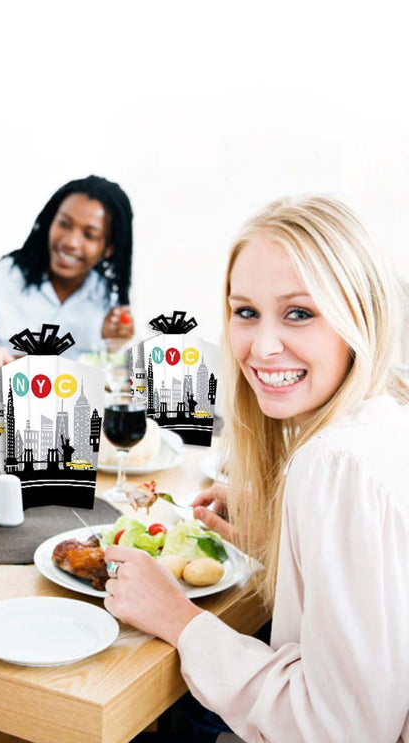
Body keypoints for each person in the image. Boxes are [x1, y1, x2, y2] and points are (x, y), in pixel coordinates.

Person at [103, 196, 409, 742]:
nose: (262, 348)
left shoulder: (334, 461)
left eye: (299, 313)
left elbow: (342, 730)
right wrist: (279, 539)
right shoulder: (386, 419)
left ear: (361, 316)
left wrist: (175, 616)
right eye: (245, 312)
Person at [0, 175, 135, 386]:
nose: (70, 242)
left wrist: (113, 345)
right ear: (50, 222)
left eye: (89, 235)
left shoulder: (106, 297)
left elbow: (108, 381)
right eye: (64, 224)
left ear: (109, 248)